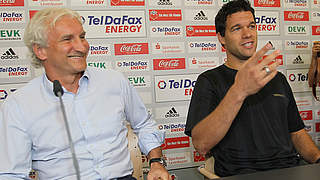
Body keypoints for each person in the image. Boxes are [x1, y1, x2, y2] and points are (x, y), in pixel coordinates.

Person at [0, 8, 170, 180]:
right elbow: (11, 174)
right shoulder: (18, 105)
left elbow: (144, 124)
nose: (82, 47)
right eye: (67, 39)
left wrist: (156, 162)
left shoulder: (114, 81)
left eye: (82, 37)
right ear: (41, 51)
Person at [185, 0, 320, 177]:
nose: (247, 34)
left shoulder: (277, 78)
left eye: (251, 26)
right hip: (241, 174)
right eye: (237, 28)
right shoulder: (209, 81)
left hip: (289, 170)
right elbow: (201, 144)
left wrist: (317, 159)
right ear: (221, 37)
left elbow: (297, 133)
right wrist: (239, 90)